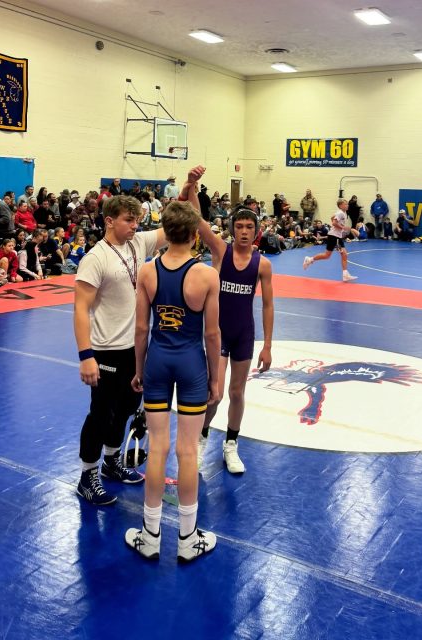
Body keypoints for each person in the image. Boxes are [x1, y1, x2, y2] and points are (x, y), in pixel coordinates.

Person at [125, 199, 220, 562]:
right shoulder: (206, 275)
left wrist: (139, 369)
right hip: (191, 364)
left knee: (158, 449)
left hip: (158, 363)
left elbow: (140, 328)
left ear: (165, 233)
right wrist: (215, 378)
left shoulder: (147, 271)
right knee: (188, 451)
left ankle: (150, 536)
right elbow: (212, 335)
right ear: (196, 235)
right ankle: (188, 538)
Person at [74, 195, 169, 506]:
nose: (135, 225)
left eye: (137, 220)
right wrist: (86, 356)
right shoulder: (95, 258)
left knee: (127, 408)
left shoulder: (138, 243)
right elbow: (80, 309)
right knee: (101, 413)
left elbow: (177, 224)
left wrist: (188, 191)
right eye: (129, 220)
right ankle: (87, 476)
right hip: (105, 350)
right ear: (109, 221)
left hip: (135, 349)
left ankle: (111, 460)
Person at [180, 167, 274, 474]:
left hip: (244, 334)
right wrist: (192, 187)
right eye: (240, 226)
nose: (244, 231)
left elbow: (268, 305)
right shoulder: (221, 251)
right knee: (215, 393)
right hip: (219, 333)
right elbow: (198, 220)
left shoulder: (263, 265)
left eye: (249, 227)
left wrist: (267, 346)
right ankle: (202, 437)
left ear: (256, 231)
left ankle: (231, 444)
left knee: (237, 393)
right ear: (233, 229)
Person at [303, 199, 358, 282]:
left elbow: (332, 218)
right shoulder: (340, 213)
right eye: (345, 204)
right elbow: (334, 223)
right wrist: (343, 228)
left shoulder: (342, 213)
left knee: (328, 255)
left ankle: (310, 259)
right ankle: (345, 274)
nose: (347, 205)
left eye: (347, 204)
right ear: (340, 206)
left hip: (336, 236)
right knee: (342, 254)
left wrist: (340, 228)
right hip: (334, 236)